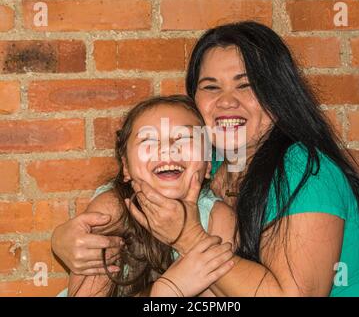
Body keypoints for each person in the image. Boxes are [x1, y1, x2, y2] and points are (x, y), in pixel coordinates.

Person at [52, 21, 359, 296]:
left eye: (246, 86)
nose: (227, 101)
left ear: (278, 94)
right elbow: (134, 182)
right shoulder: (202, 156)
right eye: (211, 87)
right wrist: (68, 240)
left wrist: (187, 237)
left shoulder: (303, 167)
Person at [61, 95, 236, 296]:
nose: (167, 148)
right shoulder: (111, 209)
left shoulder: (219, 217)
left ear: (207, 165)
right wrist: (165, 292)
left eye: (185, 138)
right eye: (148, 140)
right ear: (126, 167)